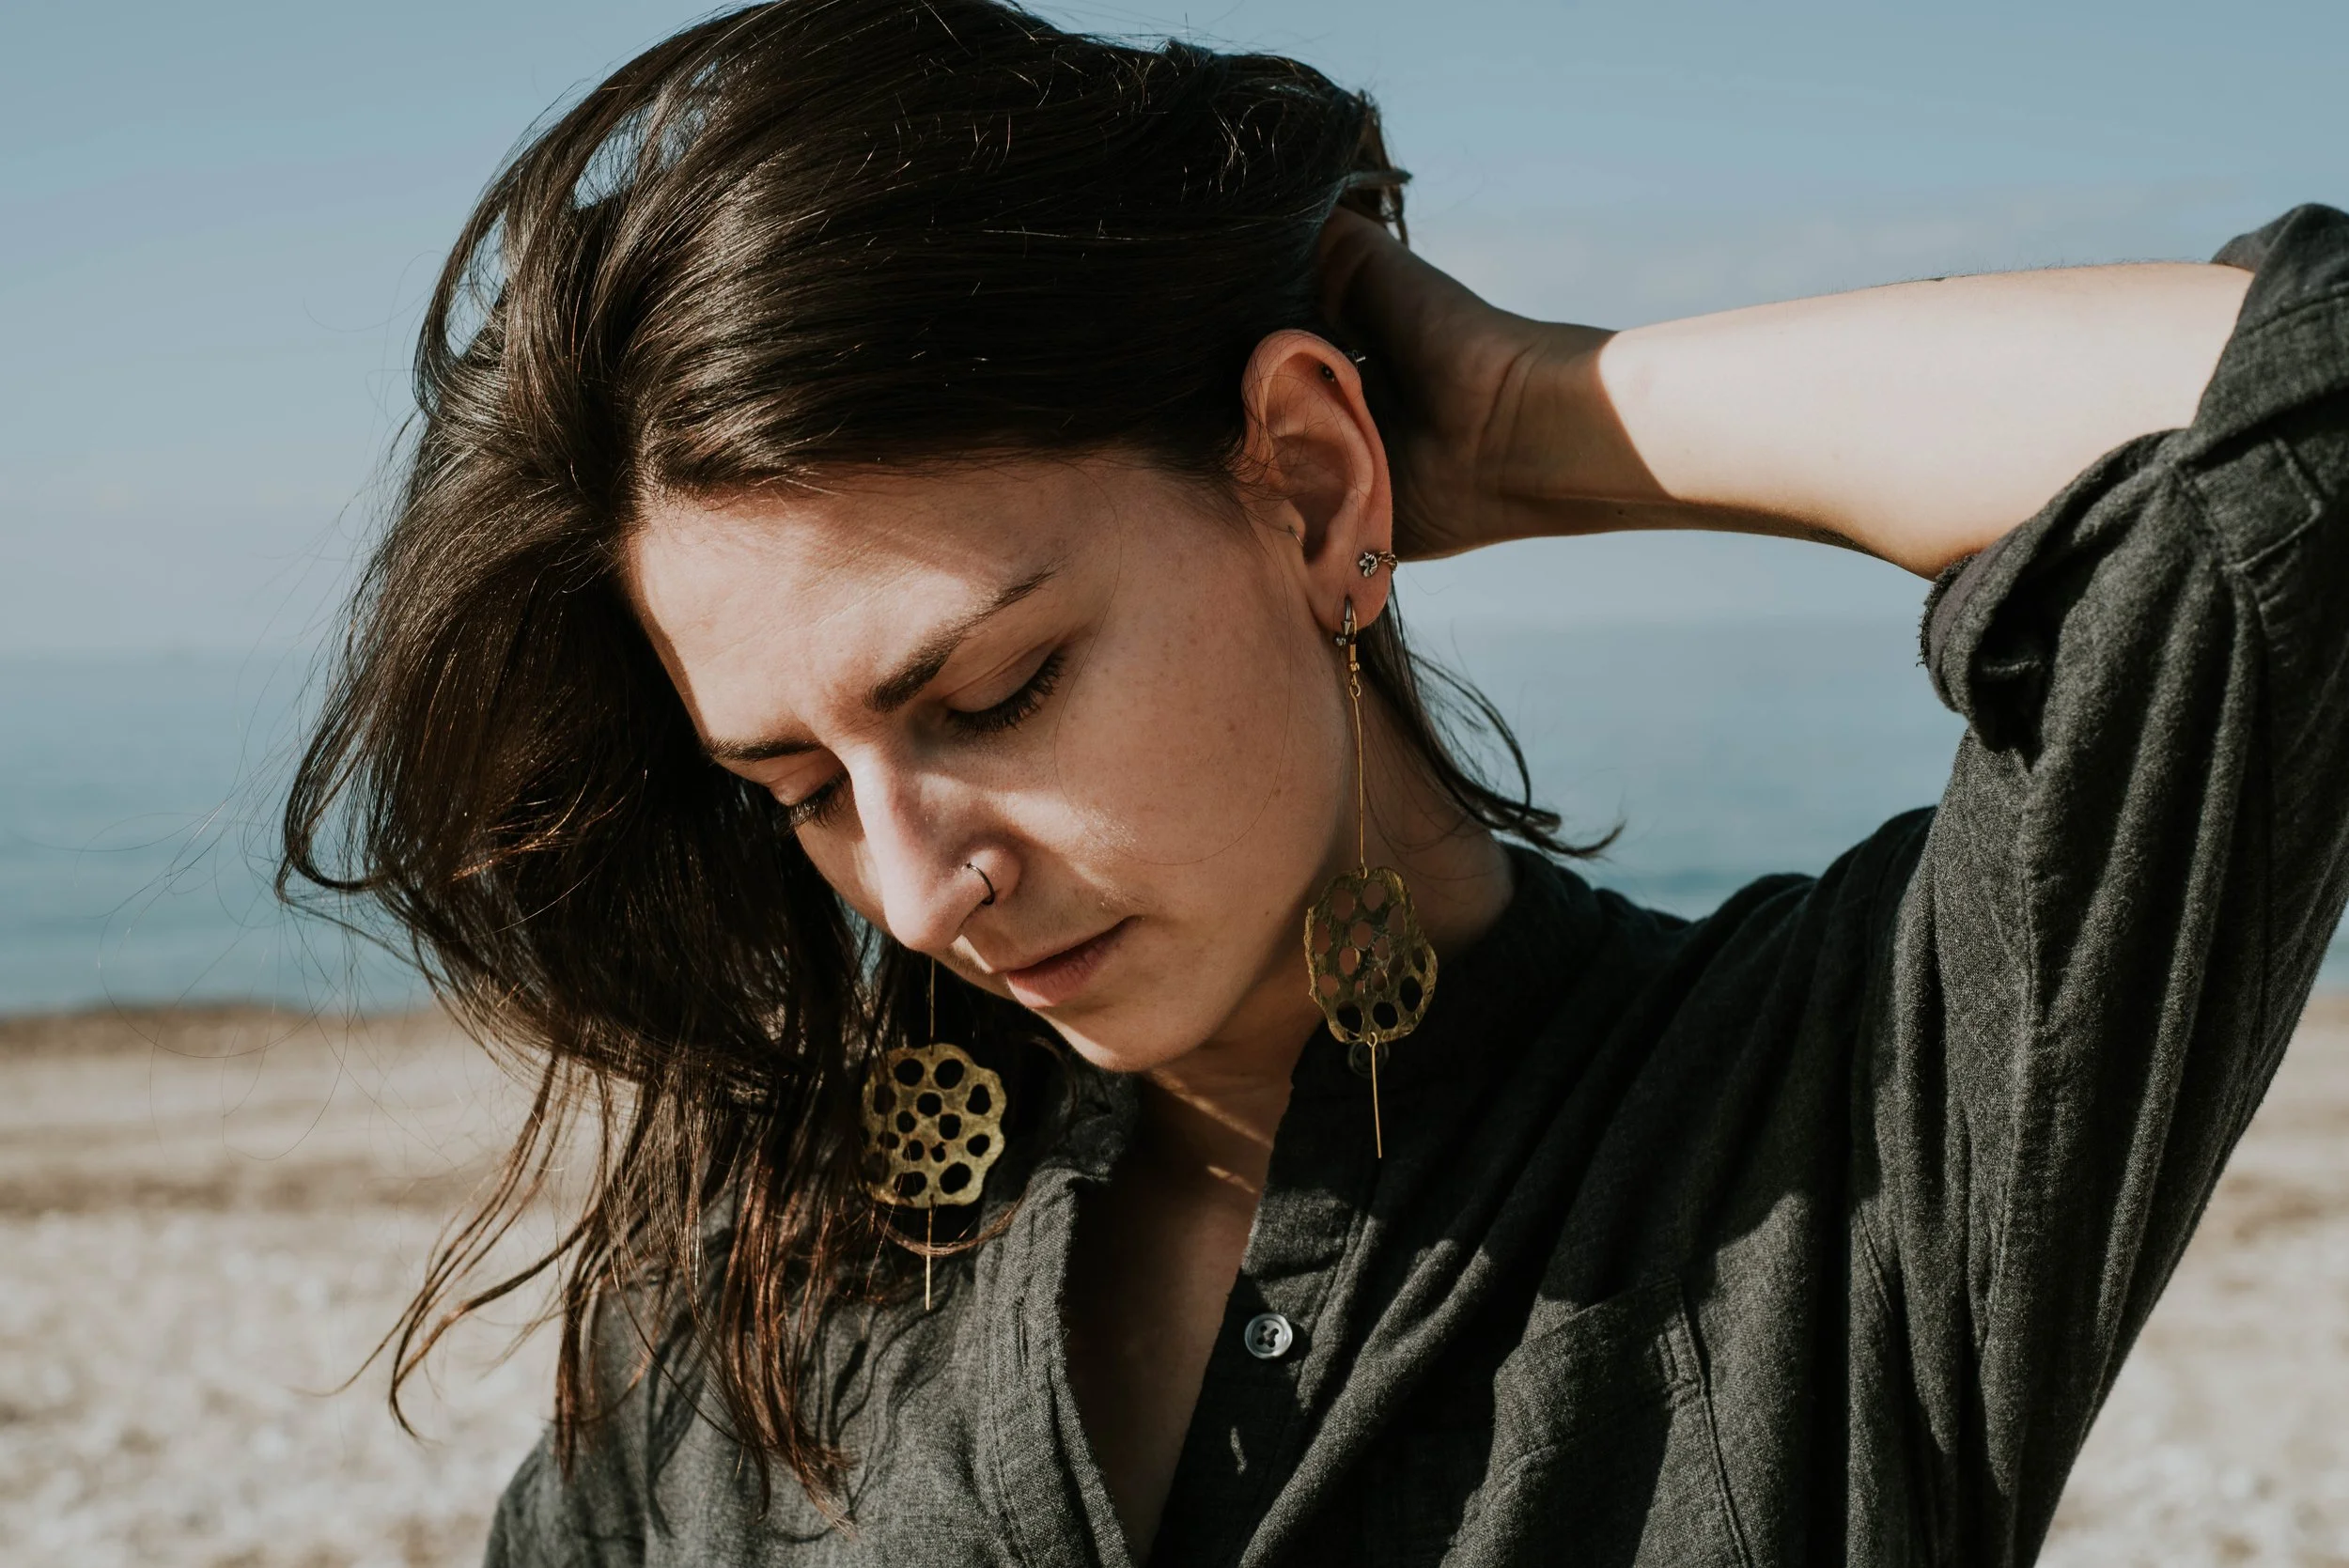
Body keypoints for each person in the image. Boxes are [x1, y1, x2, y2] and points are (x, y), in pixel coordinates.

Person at [279, 1, 2349, 1562]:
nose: (912, 891)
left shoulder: (1842, 1128)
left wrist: (1525, 413)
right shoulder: (759, 1279)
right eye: (796, 784)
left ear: (1300, 473)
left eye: (990, 694)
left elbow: (2301, 427)